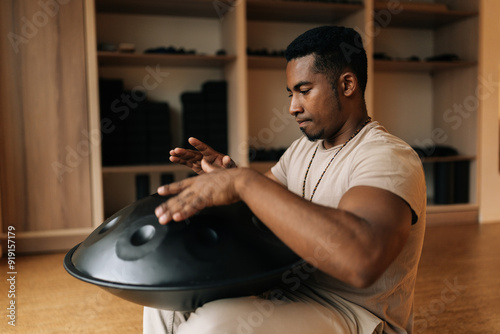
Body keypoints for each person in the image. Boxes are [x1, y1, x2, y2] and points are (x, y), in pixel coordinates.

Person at [144, 26, 426, 334]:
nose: (293, 107)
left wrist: (245, 182)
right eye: (291, 93)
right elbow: (262, 211)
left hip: (355, 315)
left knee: (212, 326)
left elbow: (361, 260)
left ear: (347, 84)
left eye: (304, 91)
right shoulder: (302, 149)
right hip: (288, 293)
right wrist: (228, 180)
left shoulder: (388, 156)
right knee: (165, 299)